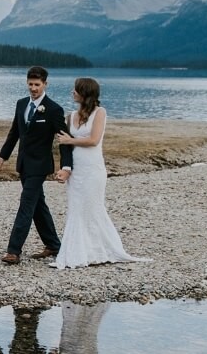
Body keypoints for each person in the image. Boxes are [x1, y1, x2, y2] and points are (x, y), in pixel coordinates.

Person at [53, 77, 150, 269]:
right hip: (77, 169)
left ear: (85, 93)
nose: (72, 92)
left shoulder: (100, 113)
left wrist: (70, 141)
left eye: (76, 89)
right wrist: (66, 168)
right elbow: (64, 144)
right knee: (76, 209)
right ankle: (77, 252)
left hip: (93, 168)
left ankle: (101, 249)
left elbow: (94, 140)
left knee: (93, 207)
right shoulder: (70, 116)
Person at [0, 66, 73, 264]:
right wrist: (3, 155)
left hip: (40, 166)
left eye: (37, 85)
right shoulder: (21, 104)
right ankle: (54, 245)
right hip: (23, 164)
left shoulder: (54, 109)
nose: (33, 88)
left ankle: (13, 251)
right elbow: (14, 133)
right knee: (38, 206)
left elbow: (64, 140)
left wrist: (66, 167)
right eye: (30, 84)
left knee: (26, 204)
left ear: (45, 84)